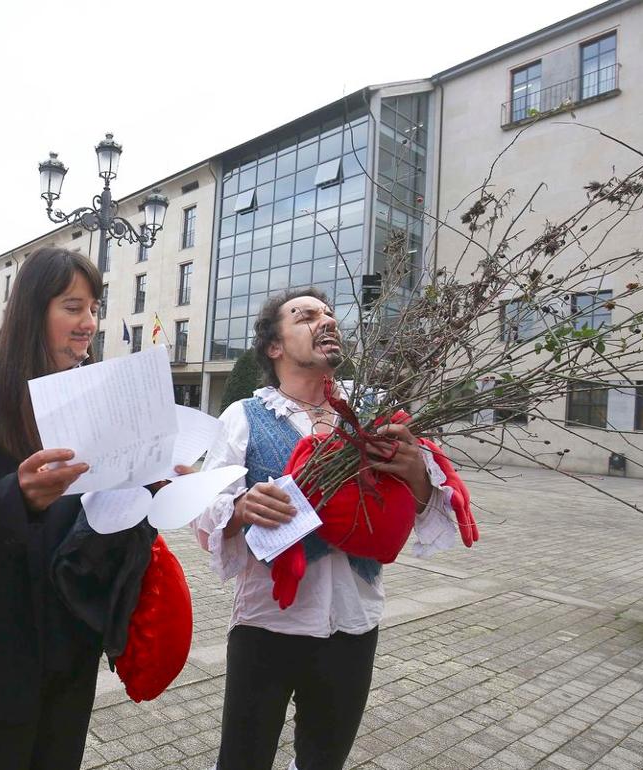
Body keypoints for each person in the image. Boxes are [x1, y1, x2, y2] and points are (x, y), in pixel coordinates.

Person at [196, 287, 463, 770]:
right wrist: (241, 506)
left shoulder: (376, 410)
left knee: (324, 760)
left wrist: (415, 472)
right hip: (267, 622)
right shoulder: (244, 416)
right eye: (305, 316)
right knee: (242, 759)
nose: (326, 321)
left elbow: (426, 505)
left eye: (329, 314)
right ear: (274, 346)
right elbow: (205, 506)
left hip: (353, 621)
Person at [0, 246, 143, 770]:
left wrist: (151, 484)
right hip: (4, 633)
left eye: (94, 308)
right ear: (33, 311)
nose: (88, 323)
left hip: (75, 628)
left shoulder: (99, 396)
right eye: (72, 308)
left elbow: (106, 510)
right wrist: (18, 496)